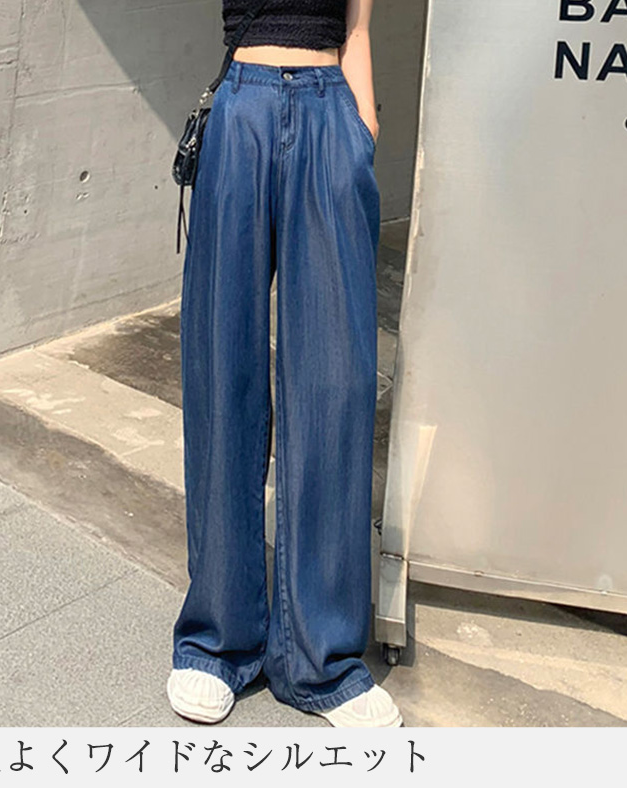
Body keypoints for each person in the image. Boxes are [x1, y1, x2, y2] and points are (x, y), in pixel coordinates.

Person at [166, 0, 403, 727]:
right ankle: (218, 641)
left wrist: (362, 126)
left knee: (336, 382)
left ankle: (320, 657)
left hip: (332, 110)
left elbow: (357, 27)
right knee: (224, 372)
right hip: (242, 106)